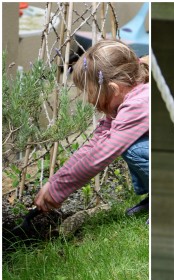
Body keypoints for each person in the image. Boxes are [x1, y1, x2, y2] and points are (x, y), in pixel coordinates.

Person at [34, 40, 149, 219]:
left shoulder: (139, 104)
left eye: (91, 93)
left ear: (113, 89)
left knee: (133, 148)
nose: (89, 100)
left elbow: (101, 154)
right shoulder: (128, 99)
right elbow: (95, 144)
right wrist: (54, 183)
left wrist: (59, 190)